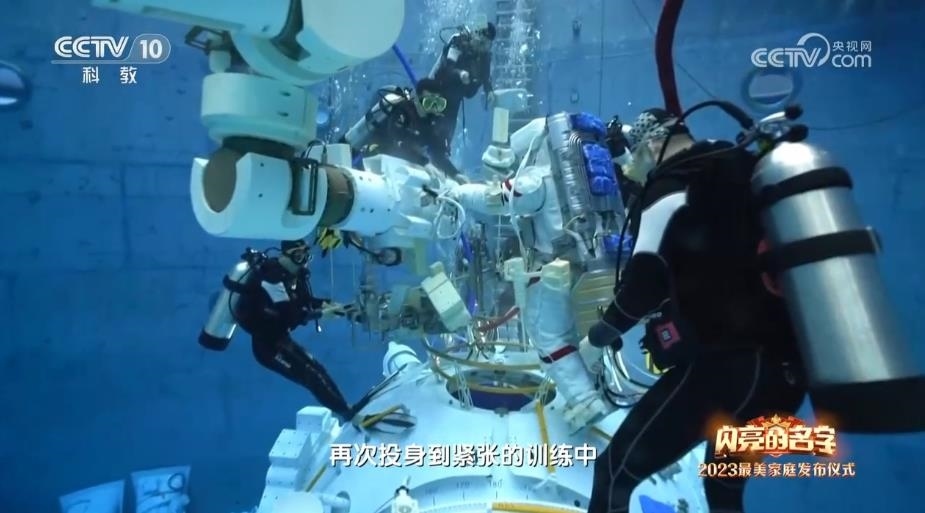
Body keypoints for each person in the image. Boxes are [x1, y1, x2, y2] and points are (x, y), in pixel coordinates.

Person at [584, 108, 808, 513]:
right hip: (787, 374)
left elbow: (644, 282)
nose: (636, 167)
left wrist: (603, 331)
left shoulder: (670, 187)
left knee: (614, 472)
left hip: (726, 374)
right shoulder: (738, 171)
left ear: (655, 143)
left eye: (637, 154)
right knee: (723, 487)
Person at [229, 240, 414, 433]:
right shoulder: (272, 278)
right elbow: (289, 313)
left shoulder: (295, 275)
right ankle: (350, 415)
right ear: (284, 255)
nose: (302, 262)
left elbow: (306, 301)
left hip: (280, 338)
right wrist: (320, 313)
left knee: (317, 369)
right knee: (311, 376)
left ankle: (347, 409)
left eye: (306, 257)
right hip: (267, 347)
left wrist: (332, 306)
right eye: (298, 257)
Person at [341, 78, 463, 179]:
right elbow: (397, 142)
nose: (433, 107)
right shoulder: (402, 112)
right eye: (428, 102)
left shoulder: (430, 124)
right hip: (377, 157)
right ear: (417, 99)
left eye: (438, 103)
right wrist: (423, 162)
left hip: (402, 165)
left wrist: (455, 174)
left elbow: (438, 153)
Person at [429, 21, 496, 102]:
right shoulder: (458, 42)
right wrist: (460, 74)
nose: (481, 49)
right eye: (481, 43)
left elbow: (486, 77)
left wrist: (489, 91)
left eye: (486, 46)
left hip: (456, 94)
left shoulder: (484, 55)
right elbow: (448, 67)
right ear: (474, 34)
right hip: (439, 84)